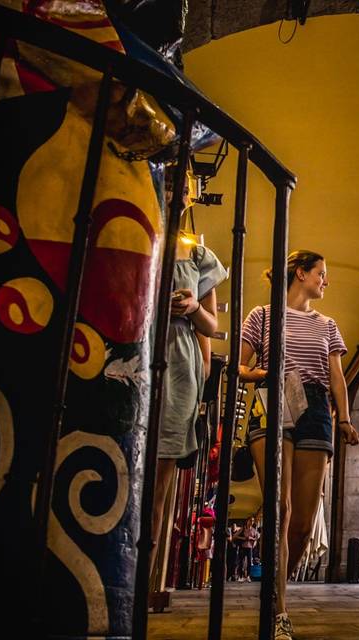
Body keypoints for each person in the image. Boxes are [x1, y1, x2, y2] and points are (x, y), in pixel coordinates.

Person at [239, 250, 359, 640]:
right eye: (321, 274)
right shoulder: (261, 315)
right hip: (272, 399)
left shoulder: (328, 325)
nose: (326, 281)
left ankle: (276, 587)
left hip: (315, 410)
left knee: (304, 524)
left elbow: (336, 377)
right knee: (280, 508)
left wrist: (344, 418)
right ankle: (279, 612)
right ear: (301, 273)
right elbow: (239, 367)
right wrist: (261, 371)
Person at [148, 226, 227, 578]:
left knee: (157, 488)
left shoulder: (196, 254)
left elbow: (211, 325)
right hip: (134, 339)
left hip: (177, 358)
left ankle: (137, 590)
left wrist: (193, 306)